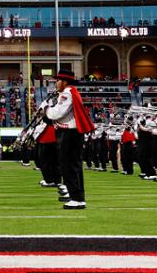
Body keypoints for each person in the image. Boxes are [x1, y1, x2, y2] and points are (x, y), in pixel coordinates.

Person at [44, 70, 95, 210]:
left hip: (69, 133)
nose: (56, 83)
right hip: (71, 132)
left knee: (68, 166)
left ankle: (76, 198)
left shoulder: (67, 93)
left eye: (58, 80)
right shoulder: (70, 91)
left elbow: (57, 113)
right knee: (74, 166)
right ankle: (78, 197)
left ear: (64, 81)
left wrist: (47, 109)